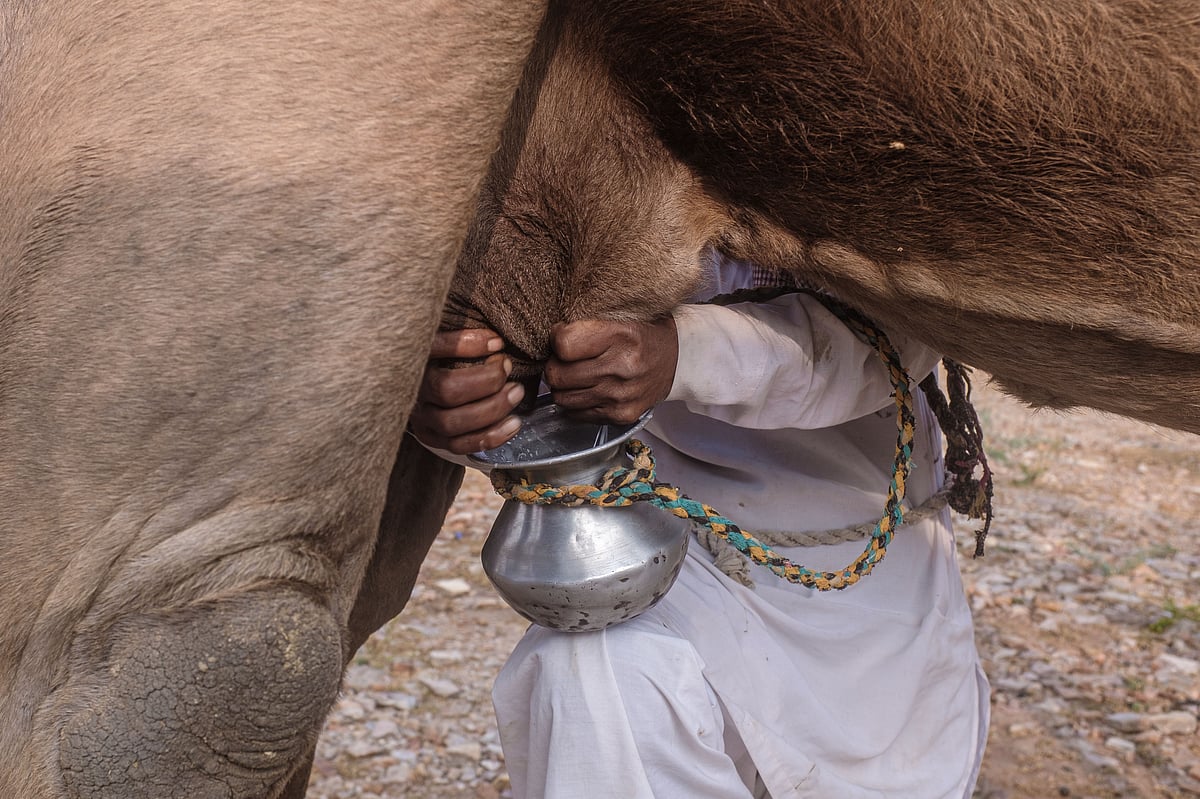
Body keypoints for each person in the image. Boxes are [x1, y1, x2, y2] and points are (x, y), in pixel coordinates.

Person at [409, 250, 989, 798]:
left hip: (854, 539)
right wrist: (458, 403)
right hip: (651, 529)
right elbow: (499, 361)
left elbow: (918, 322)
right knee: (594, 676)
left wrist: (689, 353)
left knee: (884, 752)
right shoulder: (546, 167)